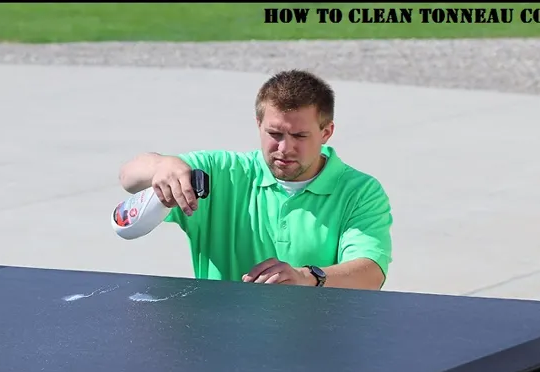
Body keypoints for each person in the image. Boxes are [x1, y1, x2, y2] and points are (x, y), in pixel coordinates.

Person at [118, 69, 392, 290]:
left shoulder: (360, 191)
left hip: (317, 346)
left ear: (326, 132)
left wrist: (306, 277)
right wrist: (163, 164)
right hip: (219, 340)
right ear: (258, 124)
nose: (285, 148)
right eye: (275, 134)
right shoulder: (221, 172)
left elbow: (370, 274)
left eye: (299, 136)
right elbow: (129, 176)